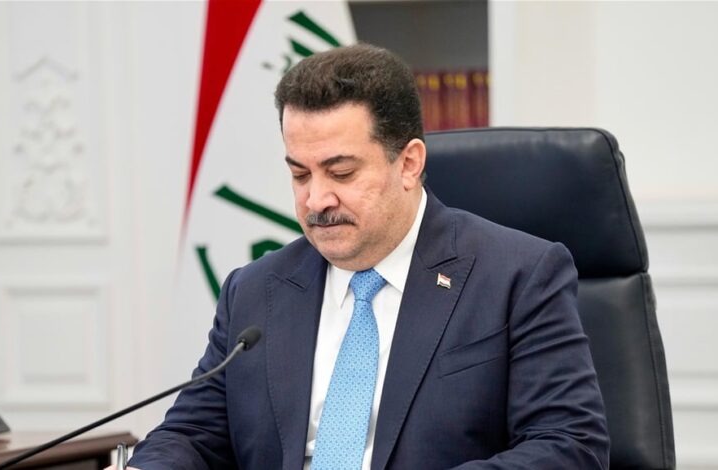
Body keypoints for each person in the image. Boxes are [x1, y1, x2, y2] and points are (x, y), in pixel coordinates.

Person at [119, 44, 609, 470]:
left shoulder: (517, 276)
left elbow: (568, 446)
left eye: (341, 172)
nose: (316, 200)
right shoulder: (254, 291)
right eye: (300, 174)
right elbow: (194, 435)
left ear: (409, 163)